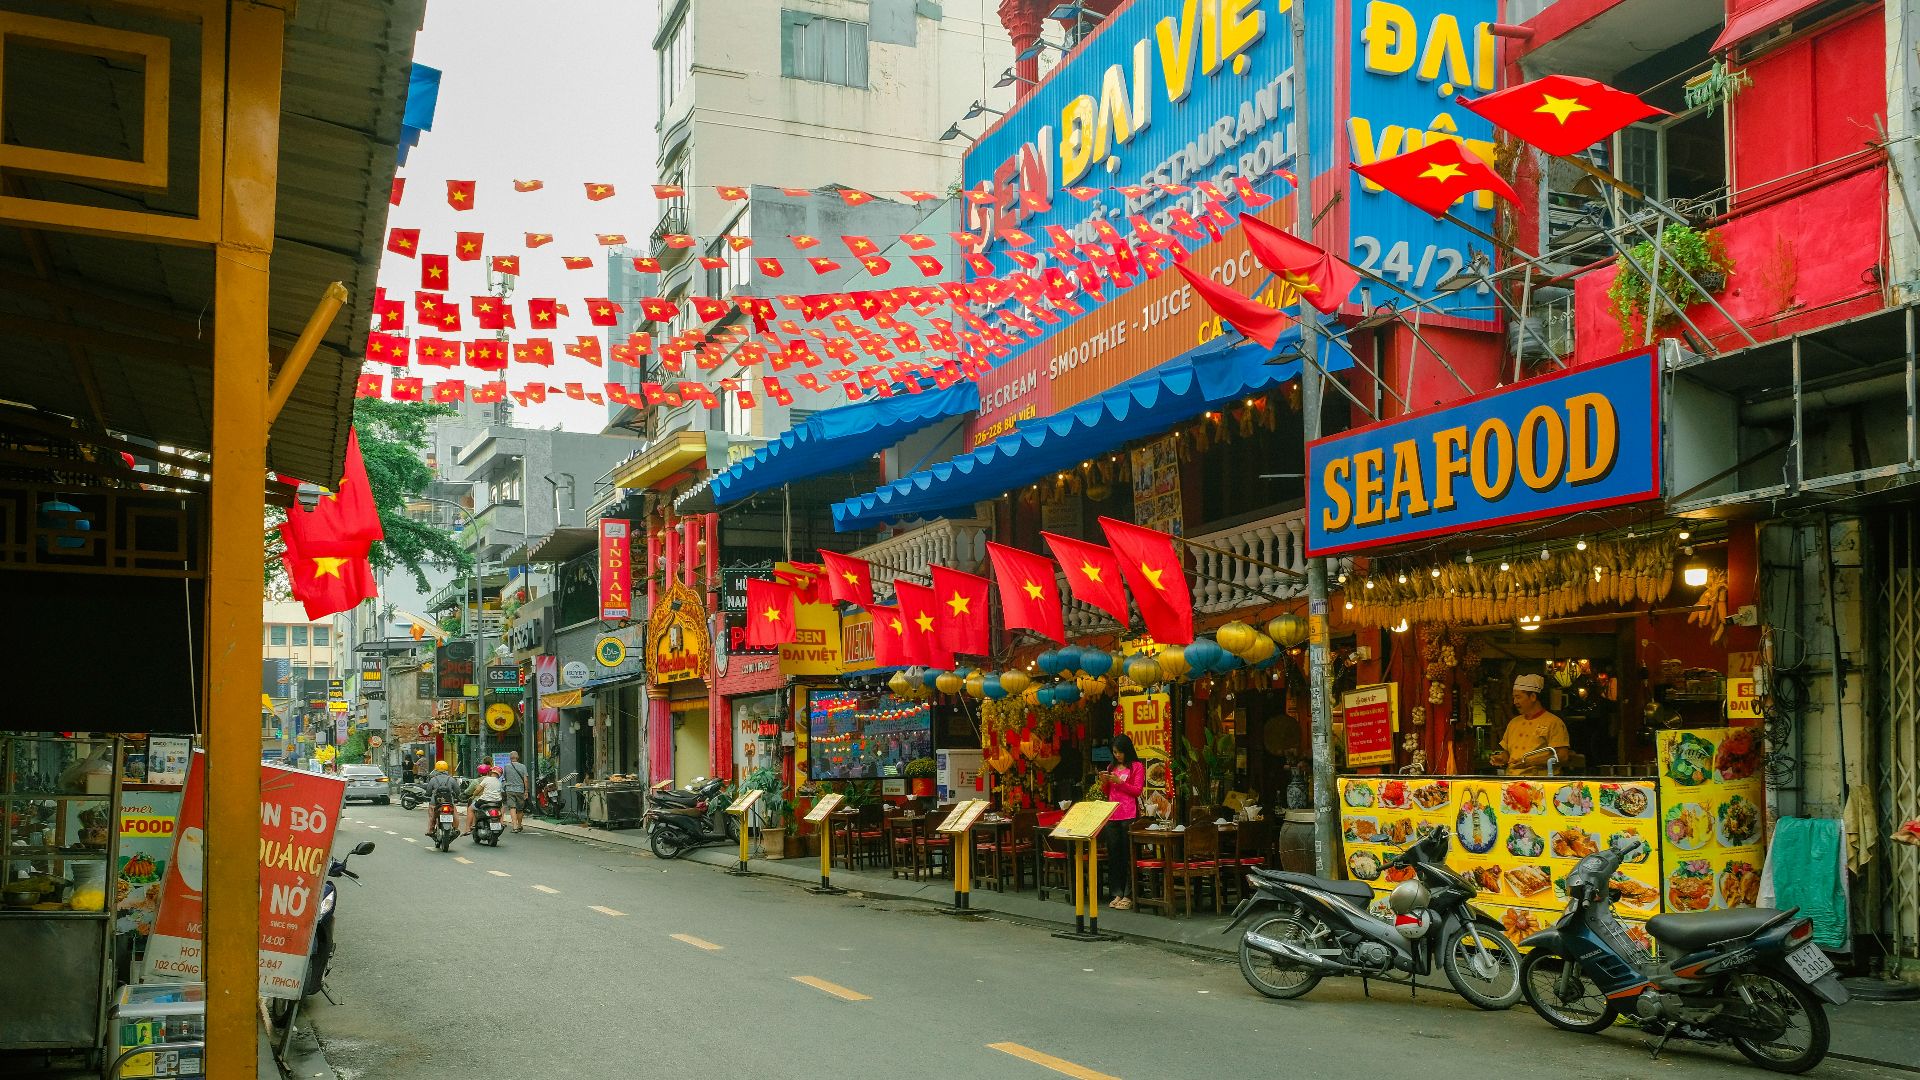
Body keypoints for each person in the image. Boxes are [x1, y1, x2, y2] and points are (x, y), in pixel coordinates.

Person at [1492, 674, 1571, 776]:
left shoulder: (1554, 722)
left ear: (1533, 697)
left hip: (1539, 781)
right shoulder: (1513, 723)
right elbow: (1508, 753)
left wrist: (1530, 762)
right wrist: (1502, 758)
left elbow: (1563, 756)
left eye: (1518, 697)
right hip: (1512, 780)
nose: (1515, 702)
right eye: (1514, 698)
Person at [1100, 734, 1146, 910]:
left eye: (1120, 752)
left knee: (1128, 856)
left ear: (1127, 750)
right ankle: (1116, 893)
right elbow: (1107, 792)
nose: (1117, 755)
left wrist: (1120, 782)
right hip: (1112, 814)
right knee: (1114, 856)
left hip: (1129, 815)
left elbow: (1137, 790)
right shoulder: (1111, 767)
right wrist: (1105, 782)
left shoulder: (1136, 767)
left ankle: (1129, 894)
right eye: (1114, 752)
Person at [422, 760, 461, 837]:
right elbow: (458, 791)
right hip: (449, 802)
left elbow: (428, 792)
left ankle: (430, 830)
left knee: (432, 816)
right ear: (446, 769)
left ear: (436, 769)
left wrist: (427, 796)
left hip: (435, 802)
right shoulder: (451, 779)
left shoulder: (433, 779)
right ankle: (456, 828)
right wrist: (457, 798)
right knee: (455, 815)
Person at [465, 764, 504, 836]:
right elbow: (500, 793)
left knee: (470, 809)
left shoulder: (486, 779)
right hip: (497, 802)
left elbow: (478, 789)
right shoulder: (499, 782)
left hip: (484, 800)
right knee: (501, 809)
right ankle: (501, 823)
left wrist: (474, 795)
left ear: (491, 772)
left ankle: (467, 829)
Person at [500, 751, 530, 832]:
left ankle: (515, 826)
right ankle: (519, 825)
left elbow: (505, 778)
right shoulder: (523, 766)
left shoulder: (506, 767)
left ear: (510, 758)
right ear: (518, 757)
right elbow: (526, 780)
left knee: (512, 808)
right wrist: (526, 791)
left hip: (510, 790)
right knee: (520, 809)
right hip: (520, 790)